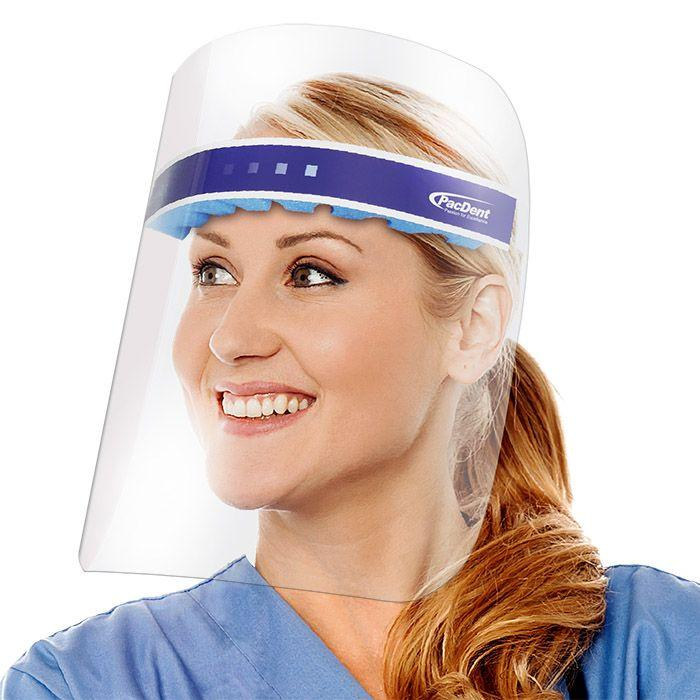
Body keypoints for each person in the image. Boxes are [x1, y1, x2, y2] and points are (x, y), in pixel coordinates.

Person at [3, 72, 699, 700]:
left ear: (473, 326)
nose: (230, 337)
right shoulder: (90, 684)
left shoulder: (655, 651)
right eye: (213, 273)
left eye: (311, 273)